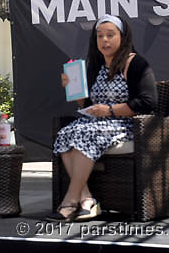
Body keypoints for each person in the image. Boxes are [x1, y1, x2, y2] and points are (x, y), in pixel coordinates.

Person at [47, 14, 157, 222]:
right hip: (98, 123)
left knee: (85, 132)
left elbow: (147, 102)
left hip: (127, 124)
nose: (104, 40)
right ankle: (87, 199)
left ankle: (70, 201)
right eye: (100, 36)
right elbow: (90, 107)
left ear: (122, 38)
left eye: (110, 35)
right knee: (66, 133)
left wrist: (110, 110)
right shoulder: (95, 65)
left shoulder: (136, 64)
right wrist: (76, 93)